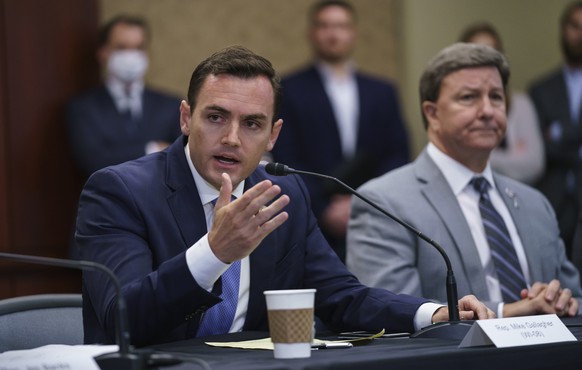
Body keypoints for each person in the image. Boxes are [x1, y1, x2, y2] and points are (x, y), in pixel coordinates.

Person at [75, 45, 493, 347]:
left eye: (252, 124)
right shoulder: (120, 191)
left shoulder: (282, 191)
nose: (232, 138)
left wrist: (435, 313)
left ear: (273, 135)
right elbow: (122, 320)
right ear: (186, 118)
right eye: (216, 117)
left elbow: (340, 295)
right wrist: (215, 252)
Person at [346, 42, 582, 319]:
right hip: (450, 362)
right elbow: (390, 312)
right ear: (432, 114)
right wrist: (509, 312)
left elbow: (574, 295)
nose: (487, 110)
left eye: (496, 97)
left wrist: (564, 301)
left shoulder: (534, 202)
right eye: (469, 97)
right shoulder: (383, 201)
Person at [270, 0, 410, 262]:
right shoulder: (289, 89)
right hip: (314, 219)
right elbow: (285, 155)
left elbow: (397, 154)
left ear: (353, 32)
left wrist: (363, 203)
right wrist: (324, 209)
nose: (333, 34)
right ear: (311, 33)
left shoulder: (382, 92)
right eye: (325, 26)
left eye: (341, 26)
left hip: (377, 216)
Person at [66, 14, 181, 179]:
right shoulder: (82, 108)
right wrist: (153, 149)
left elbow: (182, 159)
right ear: (103, 52)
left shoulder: (171, 106)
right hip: (107, 201)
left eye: (138, 47)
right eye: (121, 47)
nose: (131, 56)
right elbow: (93, 162)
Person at [459, 22, 545, 185]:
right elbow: (456, 161)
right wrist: (513, 158)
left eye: (493, 53)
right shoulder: (456, 108)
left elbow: (534, 164)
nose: (485, 62)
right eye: (476, 54)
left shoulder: (521, 104)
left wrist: (481, 157)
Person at [528, 1, 582, 258]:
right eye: (575, 26)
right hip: (552, 199)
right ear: (563, 29)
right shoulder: (541, 89)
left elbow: (553, 143)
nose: (579, 34)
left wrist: (561, 133)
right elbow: (537, 147)